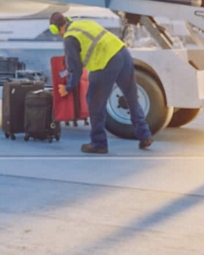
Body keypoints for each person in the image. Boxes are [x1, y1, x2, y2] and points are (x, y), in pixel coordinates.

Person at [49, 12, 152, 154]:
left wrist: (67, 87)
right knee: (132, 98)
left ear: (55, 29)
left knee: (94, 102)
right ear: (68, 20)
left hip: (105, 62)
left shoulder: (69, 38)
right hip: (122, 53)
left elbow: (76, 69)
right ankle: (145, 135)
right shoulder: (84, 22)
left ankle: (99, 143)